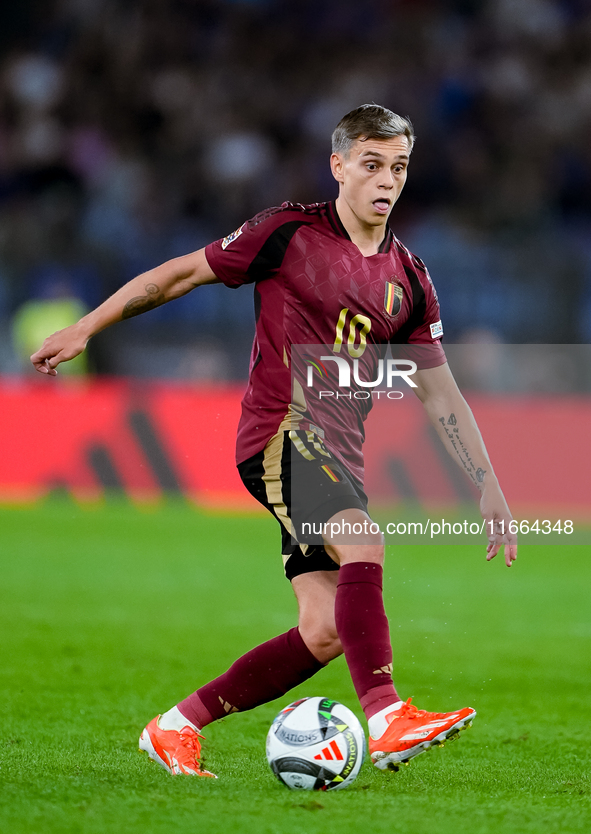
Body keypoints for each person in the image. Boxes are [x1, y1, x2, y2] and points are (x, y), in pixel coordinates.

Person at [31, 104, 517, 779]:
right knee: (363, 541)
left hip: (336, 456)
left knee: (322, 631)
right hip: (280, 433)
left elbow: (440, 393)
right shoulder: (287, 232)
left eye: (398, 167)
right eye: (371, 164)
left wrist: (486, 481)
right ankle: (386, 718)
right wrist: (88, 325)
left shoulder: (410, 278)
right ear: (338, 165)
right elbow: (177, 275)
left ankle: (176, 726)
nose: (385, 180)